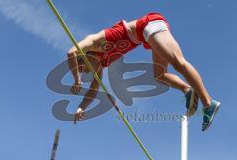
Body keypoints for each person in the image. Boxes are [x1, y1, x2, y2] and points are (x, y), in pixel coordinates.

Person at [67, 12, 220, 131]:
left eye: (85, 68)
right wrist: (81, 107)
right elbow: (92, 92)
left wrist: (77, 80)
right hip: (147, 37)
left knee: (178, 63)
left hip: (148, 25)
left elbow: (71, 52)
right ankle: (187, 90)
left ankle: (208, 103)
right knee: (159, 75)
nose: (91, 71)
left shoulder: (94, 41)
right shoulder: (101, 64)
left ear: (84, 57)